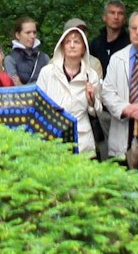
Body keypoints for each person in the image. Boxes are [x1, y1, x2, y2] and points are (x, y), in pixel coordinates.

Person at [37, 18, 106, 156]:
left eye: (77, 42)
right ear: (62, 46)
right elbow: (38, 105)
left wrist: (92, 99)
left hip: (82, 140)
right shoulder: (47, 72)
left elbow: (97, 111)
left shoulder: (90, 75)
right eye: (68, 42)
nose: (72, 45)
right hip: (53, 136)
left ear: (84, 48)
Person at [100, 9, 138, 163]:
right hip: (122, 125)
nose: (137, 32)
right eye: (134, 28)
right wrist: (127, 109)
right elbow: (107, 92)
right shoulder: (117, 58)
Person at [7, 16, 48, 84]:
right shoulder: (10, 60)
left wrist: (22, 85)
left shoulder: (44, 57)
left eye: (34, 32)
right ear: (18, 35)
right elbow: (15, 88)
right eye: (28, 33)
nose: (32, 36)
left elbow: (50, 83)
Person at [90, 0, 129, 70]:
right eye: (112, 13)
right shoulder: (96, 44)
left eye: (120, 13)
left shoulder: (130, 43)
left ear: (124, 19)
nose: (116, 17)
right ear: (104, 17)